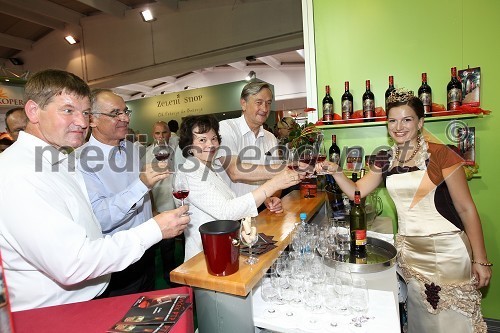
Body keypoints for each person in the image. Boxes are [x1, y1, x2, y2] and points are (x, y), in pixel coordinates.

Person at [0, 69, 189, 311]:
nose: (81, 122)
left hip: (96, 286)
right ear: (33, 111)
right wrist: (154, 228)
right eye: (68, 110)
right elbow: (74, 263)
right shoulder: (21, 174)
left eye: (85, 112)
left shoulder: (58, 161)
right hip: (57, 315)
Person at [316, 88, 491, 332]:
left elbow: (466, 208)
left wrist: (481, 260)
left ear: (420, 123)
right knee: (421, 319)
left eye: (407, 119)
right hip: (410, 252)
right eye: (392, 120)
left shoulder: (443, 154)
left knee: (453, 321)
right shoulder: (384, 157)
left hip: (448, 251)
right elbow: (357, 191)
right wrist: (336, 171)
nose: (399, 126)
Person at [77, 89, 171, 297]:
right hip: (118, 262)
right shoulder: (81, 162)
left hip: (147, 249)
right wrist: (142, 184)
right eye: (115, 114)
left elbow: (142, 195)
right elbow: (100, 218)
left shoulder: (130, 148)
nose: (125, 118)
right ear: (92, 119)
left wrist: (153, 209)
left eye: (126, 111)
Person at [177, 115, 302, 261]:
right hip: (203, 256)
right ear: (189, 145)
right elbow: (226, 211)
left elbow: (231, 200)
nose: (210, 144)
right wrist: (273, 184)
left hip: (223, 248)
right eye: (202, 140)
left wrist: (264, 198)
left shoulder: (209, 168)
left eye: (214, 138)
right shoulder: (190, 172)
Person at [217, 81, 284, 213]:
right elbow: (235, 171)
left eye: (268, 103)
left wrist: (273, 197)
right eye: (259, 102)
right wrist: (282, 169)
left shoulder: (270, 138)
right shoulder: (226, 129)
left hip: (261, 212)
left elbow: (276, 180)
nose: (265, 109)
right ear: (243, 103)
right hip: (232, 215)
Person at [145, 121, 183, 286]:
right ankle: (166, 279)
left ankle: (176, 274)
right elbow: (146, 187)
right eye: (157, 133)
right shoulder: (147, 155)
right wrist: (153, 210)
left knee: (174, 244)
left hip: (176, 201)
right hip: (159, 206)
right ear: (153, 135)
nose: (161, 137)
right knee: (163, 246)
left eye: (164, 133)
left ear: (170, 134)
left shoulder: (176, 151)